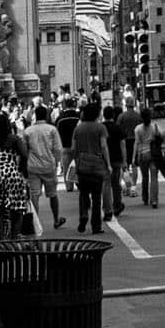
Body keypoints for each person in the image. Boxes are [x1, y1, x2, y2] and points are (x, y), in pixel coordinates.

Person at [22, 104, 66, 230]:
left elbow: (24, 151)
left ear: (35, 115)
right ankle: (56, 219)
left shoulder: (28, 131)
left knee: (34, 195)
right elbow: (58, 148)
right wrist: (56, 162)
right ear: (46, 115)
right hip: (48, 165)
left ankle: (35, 223)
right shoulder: (51, 129)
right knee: (53, 194)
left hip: (33, 166)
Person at [71, 101, 112, 235]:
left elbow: (73, 148)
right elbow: (104, 146)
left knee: (83, 194)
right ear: (96, 114)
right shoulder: (100, 128)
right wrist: (108, 164)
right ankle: (96, 226)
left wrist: (77, 161)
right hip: (97, 165)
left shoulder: (78, 129)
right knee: (96, 197)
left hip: (82, 165)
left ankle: (83, 215)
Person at [0, 114, 30, 242]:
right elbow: (25, 155)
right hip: (11, 173)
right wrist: (23, 173)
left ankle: (1, 239)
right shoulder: (14, 139)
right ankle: (14, 237)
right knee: (17, 207)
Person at [101, 105, 126, 221]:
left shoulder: (100, 127)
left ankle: (107, 208)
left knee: (106, 185)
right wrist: (124, 160)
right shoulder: (117, 127)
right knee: (116, 184)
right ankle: (117, 205)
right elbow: (122, 145)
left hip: (103, 161)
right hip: (116, 159)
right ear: (113, 115)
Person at [133, 106, 160, 209]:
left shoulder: (138, 129)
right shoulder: (155, 127)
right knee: (154, 177)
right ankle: (154, 200)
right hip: (153, 154)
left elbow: (136, 143)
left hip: (142, 155)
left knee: (145, 177)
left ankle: (145, 198)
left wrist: (133, 157)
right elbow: (160, 138)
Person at [55, 96, 82, 193]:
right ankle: (79, 183)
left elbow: (56, 133)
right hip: (78, 146)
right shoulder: (78, 116)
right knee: (78, 165)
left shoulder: (60, 118)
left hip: (65, 146)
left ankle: (69, 186)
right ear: (74, 105)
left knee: (66, 167)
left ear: (65, 105)